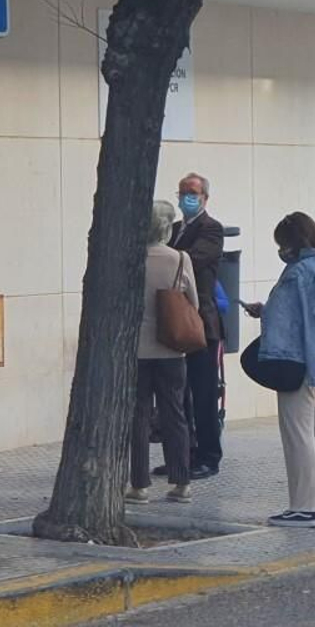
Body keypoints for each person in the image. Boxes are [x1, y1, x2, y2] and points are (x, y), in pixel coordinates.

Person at [244, 212, 315, 527]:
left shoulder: (301, 272)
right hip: (313, 363)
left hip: (297, 363)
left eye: (282, 243)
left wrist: (314, 368)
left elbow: (311, 323)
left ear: (294, 241)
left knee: (298, 435)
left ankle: (304, 507)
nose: (281, 250)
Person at [127, 200, 198, 505]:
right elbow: (193, 304)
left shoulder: (131, 259)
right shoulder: (180, 259)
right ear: (167, 227)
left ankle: (139, 486)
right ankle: (182, 483)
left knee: (138, 417)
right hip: (172, 350)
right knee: (175, 415)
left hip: (137, 351)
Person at [168, 173, 224, 480]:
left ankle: (209, 456)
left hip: (200, 323)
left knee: (203, 393)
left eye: (192, 193)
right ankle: (184, 454)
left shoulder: (211, 228)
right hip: (174, 321)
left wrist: (162, 258)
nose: (186, 198)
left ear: (205, 198)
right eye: (182, 193)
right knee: (180, 394)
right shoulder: (174, 229)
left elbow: (191, 261)